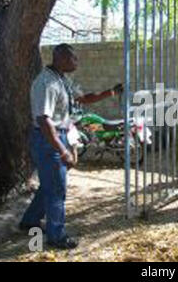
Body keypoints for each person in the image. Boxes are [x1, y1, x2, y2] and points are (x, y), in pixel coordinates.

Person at [20, 43, 123, 249]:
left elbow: (84, 98)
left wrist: (111, 92)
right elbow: (43, 120)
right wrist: (62, 149)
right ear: (60, 58)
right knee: (57, 189)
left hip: (60, 135)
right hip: (49, 139)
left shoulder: (62, 79)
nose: (76, 62)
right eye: (72, 59)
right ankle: (56, 236)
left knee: (51, 185)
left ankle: (30, 221)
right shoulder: (46, 83)